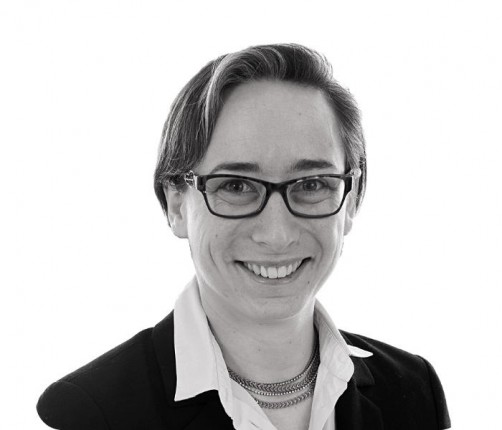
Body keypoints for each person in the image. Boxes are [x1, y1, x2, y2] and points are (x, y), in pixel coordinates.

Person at [36, 44, 451, 430]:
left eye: (312, 184)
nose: (277, 234)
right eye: (236, 186)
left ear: (352, 199)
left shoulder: (415, 392)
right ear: (177, 204)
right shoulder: (89, 414)